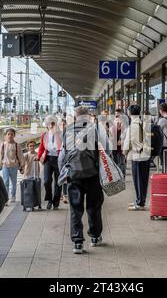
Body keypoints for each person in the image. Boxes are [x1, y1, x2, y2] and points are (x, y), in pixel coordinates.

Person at [58, 106, 106, 254]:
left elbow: (62, 157)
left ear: (76, 116)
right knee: (94, 207)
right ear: (88, 116)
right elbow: (106, 152)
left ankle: (77, 243)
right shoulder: (96, 129)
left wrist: (63, 174)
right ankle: (95, 237)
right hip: (92, 175)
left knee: (75, 210)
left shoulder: (67, 131)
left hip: (74, 176)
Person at [123, 105, 151, 211]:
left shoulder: (132, 125)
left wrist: (124, 152)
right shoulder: (144, 123)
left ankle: (140, 203)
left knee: (138, 181)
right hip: (146, 156)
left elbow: (128, 141)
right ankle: (140, 200)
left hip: (137, 157)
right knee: (143, 181)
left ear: (130, 113)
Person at [37, 115, 62, 210]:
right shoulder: (45, 135)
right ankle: (49, 199)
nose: (50, 126)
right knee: (47, 181)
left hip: (59, 159)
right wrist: (38, 157)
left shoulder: (60, 134)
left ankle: (56, 202)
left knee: (58, 182)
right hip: (48, 159)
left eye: (52, 124)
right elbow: (41, 147)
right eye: (48, 124)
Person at [0, 128, 24, 204]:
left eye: (11, 134)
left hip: (14, 166)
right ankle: (6, 198)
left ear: (14, 135)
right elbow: (0, 156)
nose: (10, 136)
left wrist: (22, 166)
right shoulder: (3, 145)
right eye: (8, 134)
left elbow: (20, 156)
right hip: (5, 166)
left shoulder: (16, 145)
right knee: (6, 182)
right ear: (6, 135)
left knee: (14, 182)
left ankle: (13, 195)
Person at [110, 109, 127, 177]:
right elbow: (111, 134)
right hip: (114, 146)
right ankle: (117, 175)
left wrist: (121, 140)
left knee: (122, 161)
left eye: (118, 114)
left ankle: (122, 175)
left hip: (121, 146)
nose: (117, 116)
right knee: (115, 161)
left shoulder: (125, 124)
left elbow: (125, 133)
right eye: (116, 114)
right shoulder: (113, 123)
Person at [59, 119, 69, 204]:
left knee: (65, 175)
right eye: (61, 124)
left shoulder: (68, 132)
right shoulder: (57, 133)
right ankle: (63, 194)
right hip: (60, 157)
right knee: (62, 175)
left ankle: (65, 194)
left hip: (67, 155)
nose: (62, 126)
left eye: (64, 124)